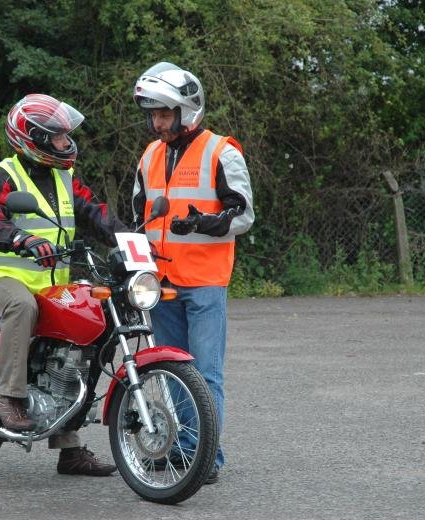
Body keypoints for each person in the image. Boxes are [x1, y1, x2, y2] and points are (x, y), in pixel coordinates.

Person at [0, 94, 127, 476]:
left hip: (51, 284)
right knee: (23, 306)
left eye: (65, 137)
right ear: (32, 138)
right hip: (1, 280)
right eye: (56, 138)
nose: (65, 143)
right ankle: (8, 398)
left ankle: (68, 447)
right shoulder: (3, 175)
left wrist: (134, 240)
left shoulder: (65, 178)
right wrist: (21, 240)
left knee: (93, 327)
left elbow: (98, 214)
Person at [131, 63, 254, 484]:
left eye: (165, 114)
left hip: (204, 283)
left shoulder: (223, 152)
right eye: (153, 114)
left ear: (188, 110)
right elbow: (139, 215)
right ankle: (186, 451)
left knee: (204, 374)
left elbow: (244, 214)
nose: (157, 122)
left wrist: (205, 223)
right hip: (159, 287)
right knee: (170, 374)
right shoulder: (149, 156)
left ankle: (206, 459)